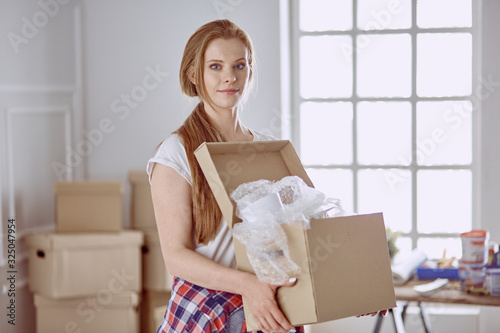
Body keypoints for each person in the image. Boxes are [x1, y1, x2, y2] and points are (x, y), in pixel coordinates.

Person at [147, 19, 303, 333]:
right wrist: (249, 285)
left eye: (239, 65)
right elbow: (176, 258)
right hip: (204, 311)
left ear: (250, 71)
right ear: (194, 75)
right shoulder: (176, 153)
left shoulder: (268, 149)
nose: (229, 77)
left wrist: (351, 285)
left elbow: (299, 233)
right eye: (215, 66)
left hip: (265, 309)